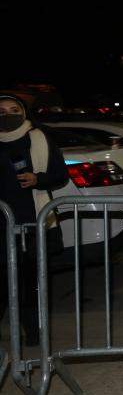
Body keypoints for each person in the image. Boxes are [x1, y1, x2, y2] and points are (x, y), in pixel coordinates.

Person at [0, 94, 68, 346]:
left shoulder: (39, 139)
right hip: (2, 223)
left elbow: (60, 174)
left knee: (31, 280)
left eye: (13, 109)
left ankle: (34, 332)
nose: (7, 115)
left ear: (24, 112)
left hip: (32, 220)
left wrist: (38, 179)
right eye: (2, 111)